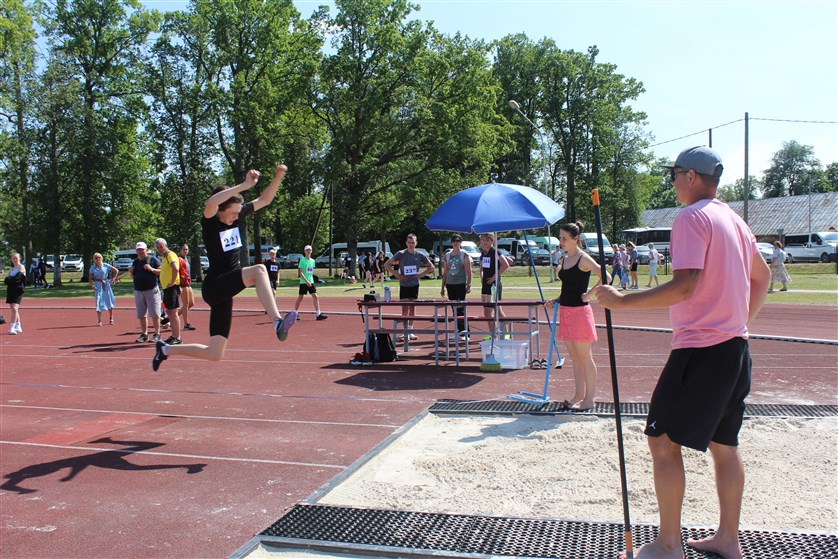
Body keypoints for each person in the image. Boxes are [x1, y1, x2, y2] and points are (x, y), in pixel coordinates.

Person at [593, 146, 770, 559]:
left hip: (701, 351)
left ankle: (668, 545)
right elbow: (761, 278)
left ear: (691, 176)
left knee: (662, 441)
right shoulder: (736, 220)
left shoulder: (692, 217)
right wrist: (737, 321)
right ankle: (729, 539)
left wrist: (621, 301)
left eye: (673, 174)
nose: (671, 182)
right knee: (725, 444)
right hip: (734, 349)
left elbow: (686, 284)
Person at [152, 165, 297, 371]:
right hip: (214, 285)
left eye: (239, 213)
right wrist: (245, 185)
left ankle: (165, 350)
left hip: (225, 292)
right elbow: (211, 202)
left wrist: (278, 176)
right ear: (221, 210)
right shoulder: (211, 224)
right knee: (260, 271)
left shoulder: (236, 218)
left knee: (215, 353)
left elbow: (264, 200)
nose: (237, 217)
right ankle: (277, 322)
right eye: (233, 213)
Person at [544, 222, 608, 411]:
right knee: (575, 358)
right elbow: (568, 289)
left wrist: (589, 294)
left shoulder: (583, 259)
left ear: (575, 239)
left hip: (580, 313)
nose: (561, 242)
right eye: (560, 238)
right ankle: (578, 395)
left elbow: (607, 276)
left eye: (564, 238)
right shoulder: (564, 260)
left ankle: (589, 399)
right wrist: (556, 300)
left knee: (585, 357)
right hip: (566, 311)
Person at [384, 234, 434, 340]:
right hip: (404, 284)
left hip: (414, 285)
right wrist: (397, 275)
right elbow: (386, 265)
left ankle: (410, 331)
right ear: (406, 243)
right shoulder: (401, 254)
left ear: (416, 243)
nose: (411, 245)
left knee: (412, 307)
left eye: (413, 243)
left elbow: (431, 267)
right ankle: (405, 331)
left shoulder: (420, 255)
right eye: (409, 242)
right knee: (404, 307)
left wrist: (420, 275)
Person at [129, 242, 163, 343]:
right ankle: (144, 334)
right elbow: (134, 277)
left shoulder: (152, 259)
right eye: (138, 249)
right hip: (138, 290)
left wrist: (151, 269)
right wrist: (131, 273)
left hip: (151, 289)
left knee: (155, 313)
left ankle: (157, 334)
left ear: (146, 250)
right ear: (136, 251)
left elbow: (161, 271)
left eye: (142, 249)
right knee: (141, 314)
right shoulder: (135, 262)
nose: (140, 251)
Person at [439, 234, 472, 337]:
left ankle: (465, 332)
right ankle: (459, 330)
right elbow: (445, 272)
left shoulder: (464, 254)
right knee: (453, 308)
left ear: (460, 242)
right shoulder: (447, 255)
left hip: (460, 283)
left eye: (457, 241)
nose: (455, 242)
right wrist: (442, 287)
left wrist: (469, 284)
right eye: (453, 241)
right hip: (450, 283)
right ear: (451, 243)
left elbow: (468, 270)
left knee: (460, 308)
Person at [155, 238, 182, 345]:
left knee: (173, 313)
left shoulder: (170, 255)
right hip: (167, 288)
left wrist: (172, 282)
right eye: (157, 248)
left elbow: (175, 268)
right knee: (170, 312)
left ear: (165, 246)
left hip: (172, 287)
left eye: (161, 247)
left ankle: (177, 337)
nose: (159, 249)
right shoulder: (164, 257)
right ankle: (174, 335)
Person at [479, 233, 509, 320]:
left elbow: (506, 264)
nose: (485, 242)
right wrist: (481, 275)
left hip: (494, 285)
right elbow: (481, 267)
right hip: (485, 284)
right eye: (483, 240)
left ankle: (505, 331)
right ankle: (494, 333)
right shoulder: (483, 253)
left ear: (492, 241)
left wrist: (494, 277)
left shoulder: (495, 252)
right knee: (487, 313)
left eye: (487, 240)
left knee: (497, 310)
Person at [294, 245, 327, 320]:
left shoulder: (313, 261)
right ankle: (295, 313)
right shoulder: (302, 261)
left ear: (311, 251)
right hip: (303, 282)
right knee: (300, 297)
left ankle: (318, 314)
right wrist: (306, 281)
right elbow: (301, 273)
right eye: (307, 250)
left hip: (311, 282)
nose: (308, 251)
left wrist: (311, 280)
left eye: (309, 250)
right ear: (305, 251)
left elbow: (311, 271)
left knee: (315, 296)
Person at [89, 253, 118, 326]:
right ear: (94, 259)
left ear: (101, 258)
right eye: (96, 258)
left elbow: (116, 270)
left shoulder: (106, 265)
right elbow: (90, 277)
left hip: (106, 284)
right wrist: (91, 285)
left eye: (99, 257)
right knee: (98, 301)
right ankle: (99, 320)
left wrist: (113, 279)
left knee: (109, 300)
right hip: (97, 284)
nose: (97, 259)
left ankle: (111, 317)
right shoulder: (92, 267)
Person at [5, 253, 26, 335]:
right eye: (13, 258)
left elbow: (18, 278)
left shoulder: (21, 267)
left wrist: (11, 280)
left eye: (16, 258)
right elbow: (6, 280)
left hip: (18, 290)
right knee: (13, 309)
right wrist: (11, 280)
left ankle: (12, 328)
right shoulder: (11, 269)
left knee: (14, 308)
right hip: (10, 290)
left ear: (19, 258)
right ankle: (18, 326)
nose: (15, 260)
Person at [178, 244, 196, 331]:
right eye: (184, 249)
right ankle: (186, 324)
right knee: (185, 304)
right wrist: (178, 285)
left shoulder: (186, 259)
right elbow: (176, 272)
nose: (186, 251)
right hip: (182, 284)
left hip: (188, 283)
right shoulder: (179, 259)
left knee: (191, 303)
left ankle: (172, 317)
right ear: (180, 250)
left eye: (187, 249)